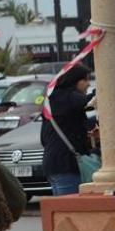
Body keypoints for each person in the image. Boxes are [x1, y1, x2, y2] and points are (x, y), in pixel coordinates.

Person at [40, 64, 93, 196]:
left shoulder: (52, 99)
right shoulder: (68, 98)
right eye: (85, 80)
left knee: (62, 210)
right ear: (75, 80)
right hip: (66, 164)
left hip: (52, 164)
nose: (88, 84)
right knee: (71, 211)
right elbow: (90, 101)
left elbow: (44, 137)